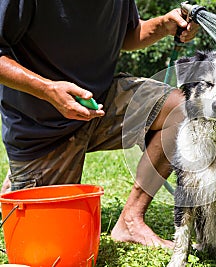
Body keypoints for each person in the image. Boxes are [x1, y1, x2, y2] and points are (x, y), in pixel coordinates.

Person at [0, 0, 199, 248]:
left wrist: (162, 26)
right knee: (54, 244)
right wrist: (48, 90)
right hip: (42, 127)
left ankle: (131, 220)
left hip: (99, 102)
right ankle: (24, 177)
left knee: (183, 109)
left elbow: (128, 34)